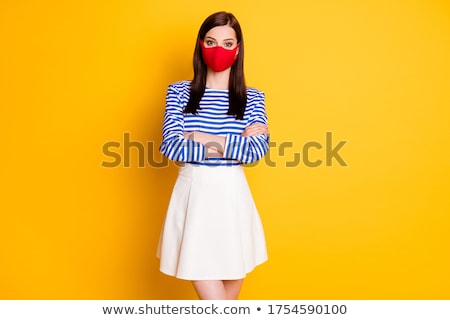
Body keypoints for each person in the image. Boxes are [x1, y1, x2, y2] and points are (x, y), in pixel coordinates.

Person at [156, 11, 269, 300]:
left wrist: (203, 137)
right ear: (200, 44)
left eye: (228, 43)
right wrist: (235, 142)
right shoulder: (180, 93)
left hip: (233, 196)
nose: (219, 49)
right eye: (211, 41)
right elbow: (172, 146)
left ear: (238, 48)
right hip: (194, 195)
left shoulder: (252, 97)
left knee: (228, 301)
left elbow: (256, 151)